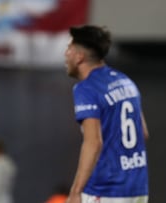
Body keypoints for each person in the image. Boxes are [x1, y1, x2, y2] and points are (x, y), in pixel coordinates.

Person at [64, 25, 149, 203]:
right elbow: (143, 133)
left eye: (69, 49)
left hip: (106, 189)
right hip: (138, 187)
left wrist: (76, 191)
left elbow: (93, 142)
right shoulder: (126, 81)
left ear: (80, 57)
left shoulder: (86, 88)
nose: (66, 54)